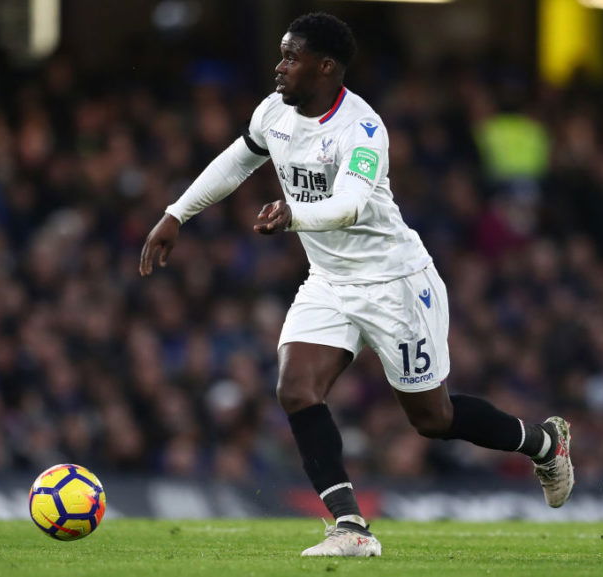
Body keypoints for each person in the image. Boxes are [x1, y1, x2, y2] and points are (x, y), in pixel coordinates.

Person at [139, 12, 573, 557]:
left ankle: (543, 443)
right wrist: (177, 213)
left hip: (394, 282)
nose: (279, 66)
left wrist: (293, 215)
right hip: (330, 280)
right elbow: (238, 159)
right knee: (296, 388)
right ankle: (351, 526)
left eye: (291, 57)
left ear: (325, 67)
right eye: (281, 54)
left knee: (432, 419)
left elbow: (347, 205)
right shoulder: (274, 112)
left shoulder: (363, 130)